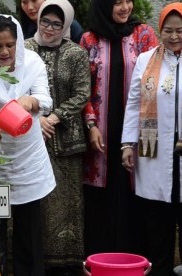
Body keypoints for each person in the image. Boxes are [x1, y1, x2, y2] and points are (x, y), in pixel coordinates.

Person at [0, 14, 55, 276]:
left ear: (18, 43)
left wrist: (29, 102)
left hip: (27, 155)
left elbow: (45, 98)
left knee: (28, 227)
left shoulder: (32, 62)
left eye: (10, 45)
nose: (4, 51)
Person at [80, 0, 159, 257]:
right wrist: (90, 124)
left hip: (137, 128)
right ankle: (101, 259)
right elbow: (83, 88)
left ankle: (136, 257)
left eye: (128, 1)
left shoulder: (143, 34)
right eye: (117, 3)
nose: (125, 7)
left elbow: (155, 80)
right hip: (100, 131)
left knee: (136, 189)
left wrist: (143, 134)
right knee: (101, 193)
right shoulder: (88, 40)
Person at [24, 0, 90, 274]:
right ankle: (34, 260)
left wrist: (55, 116)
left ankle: (66, 264)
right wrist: (36, 119)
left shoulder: (76, 53)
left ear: (66, 26)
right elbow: (16, 87)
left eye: (57, 24)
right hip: (29, 137)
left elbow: (82, 92)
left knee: (66, 203)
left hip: (66, 140)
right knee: (35, 203)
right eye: (45, 21)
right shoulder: (24, 49)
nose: (50, 28)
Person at [121, 3, 182, 275]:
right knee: (158, 228)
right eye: (168, 31)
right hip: (154, 153)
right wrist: (127, 144)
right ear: (160, 30)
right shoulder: (146, 60)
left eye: (180, 30)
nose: (174, 36)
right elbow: (134, 103)